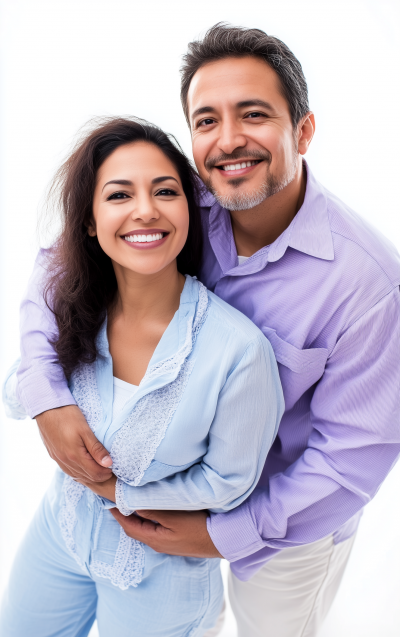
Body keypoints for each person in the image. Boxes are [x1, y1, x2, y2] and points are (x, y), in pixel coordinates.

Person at [8, 22, 400, 637]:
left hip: (286, 515)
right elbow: (58, 270)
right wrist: (46, 395)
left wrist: (224, 532)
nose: (229, 140)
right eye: (207, 120)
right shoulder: (172, 199)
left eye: (253, 114)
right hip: (152, 481)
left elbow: (352, 459)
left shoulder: (367, 282)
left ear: (303, 129)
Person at [0, 117, 284, 637]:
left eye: (165, 191)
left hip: (159, 572)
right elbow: (16, 388)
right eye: (118, 195)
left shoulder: (239, 352)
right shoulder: (72, 308)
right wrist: (46, 405)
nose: (145, 210)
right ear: (88, 221)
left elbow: (229, 483)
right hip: (59, 533)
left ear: (189, 212)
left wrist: (117, 490)